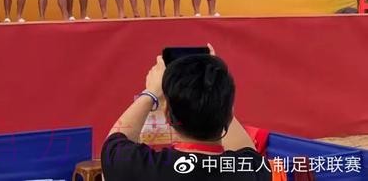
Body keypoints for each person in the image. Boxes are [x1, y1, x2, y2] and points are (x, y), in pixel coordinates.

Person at [101, 45, 268, 180]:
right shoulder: (252, 171)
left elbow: (114, 141)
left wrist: (151, 93)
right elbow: (249, 151)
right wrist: (214, 87)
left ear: (167, 115)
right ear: (229, 114)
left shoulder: (137, 167)